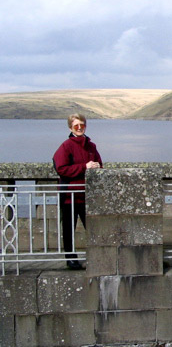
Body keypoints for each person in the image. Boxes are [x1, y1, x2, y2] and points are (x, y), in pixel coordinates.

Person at [53, 113, 102, 270]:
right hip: (70, 196)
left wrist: (97, 167)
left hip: (88, 195)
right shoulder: (66, 146)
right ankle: (71, 260)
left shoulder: (91, 146)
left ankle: (97, 258)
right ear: (70, 128)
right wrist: (84, 167)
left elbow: (100, 164)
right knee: (69, 229)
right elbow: (61, 168)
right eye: (76, 126)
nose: (80, 128)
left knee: (94, 229)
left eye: (82, 125)